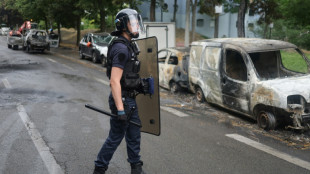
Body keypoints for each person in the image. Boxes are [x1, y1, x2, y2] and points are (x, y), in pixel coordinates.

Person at [93, 8, 145, 174]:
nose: (136, 25)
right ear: (123, 25)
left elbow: (126, 77)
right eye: (133, 22)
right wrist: (120, 110)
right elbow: (114, 81)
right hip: (122, 101)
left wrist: (139, 84)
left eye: (137, 22)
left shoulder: (127, 45)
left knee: (134, 134)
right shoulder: (122, 49)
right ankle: (99, 169)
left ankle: (136, 168)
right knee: (115, 137)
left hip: (128, 99)